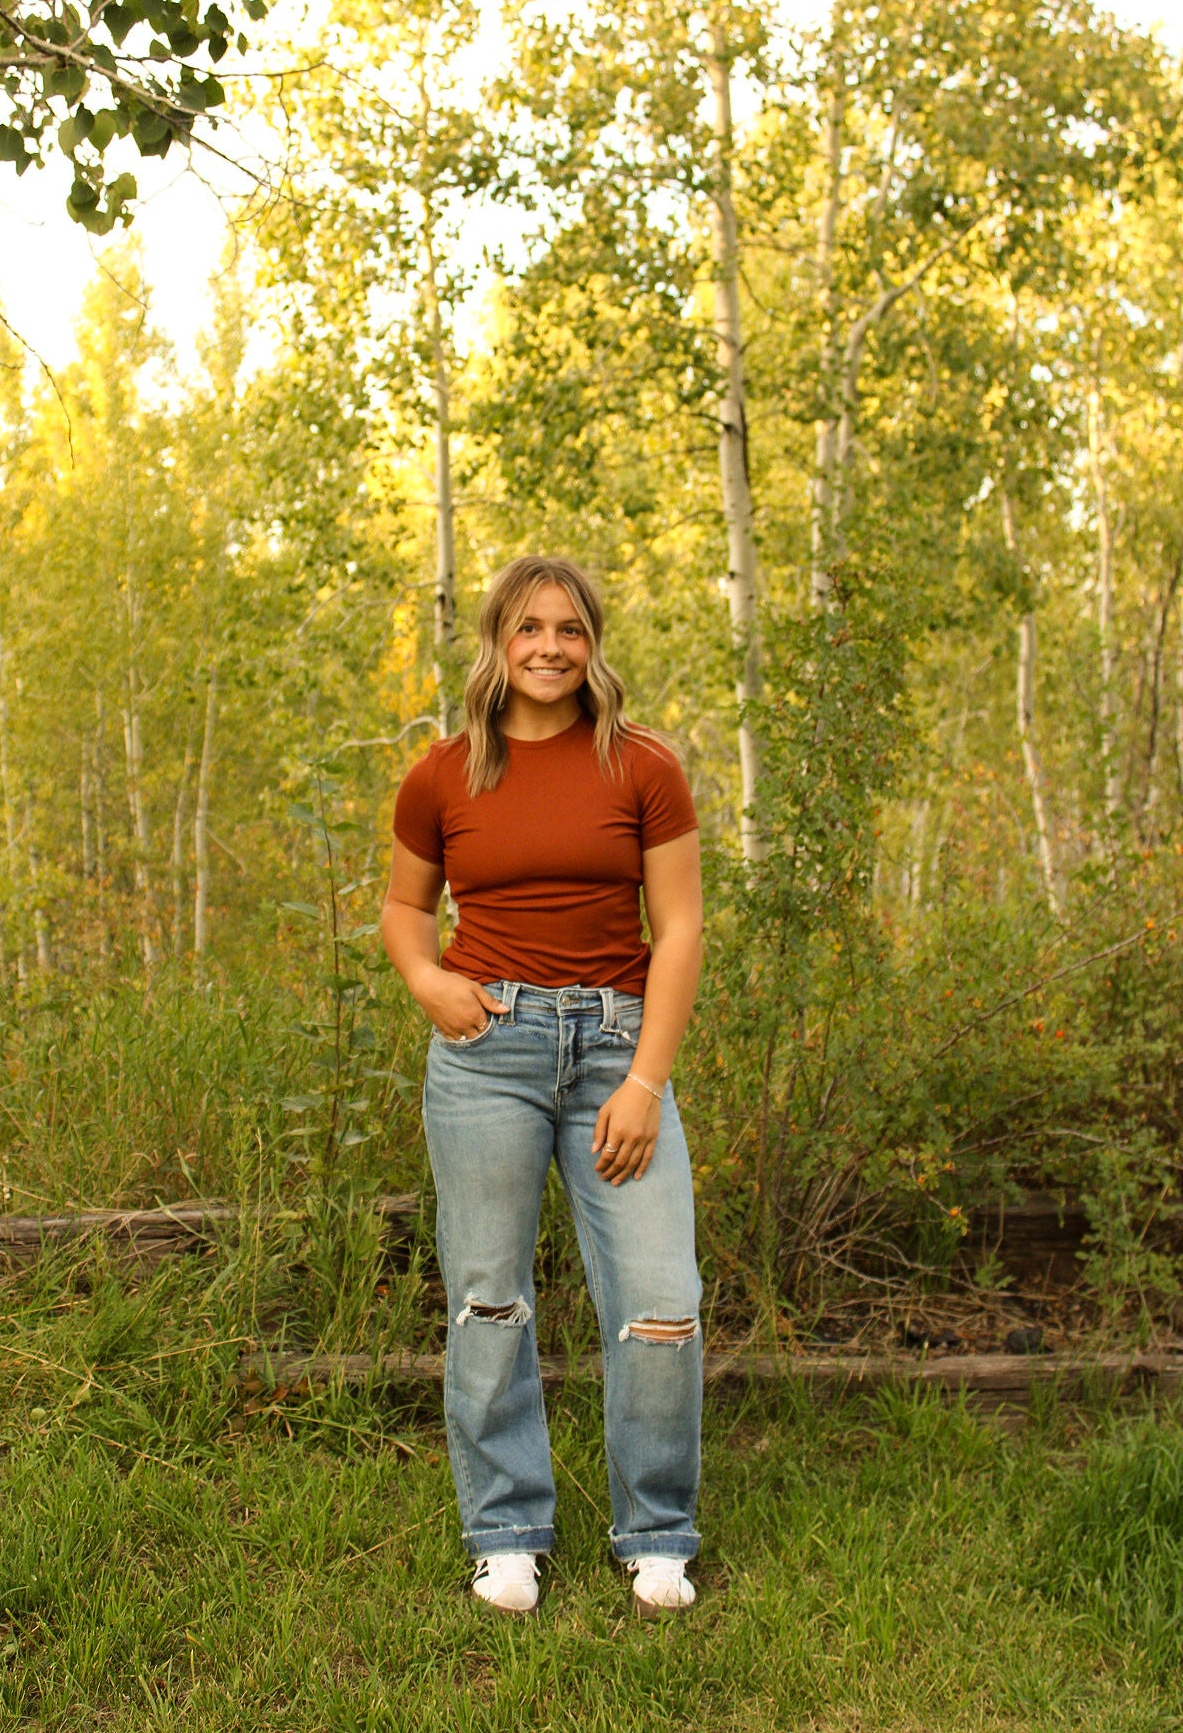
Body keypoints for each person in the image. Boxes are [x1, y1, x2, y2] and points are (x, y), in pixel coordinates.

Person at [381, 554, 704, 1618]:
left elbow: (681, 928)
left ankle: (654, 1530)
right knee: (488, 1300)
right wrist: (429, 979)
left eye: (570, 629)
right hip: (489, 1056)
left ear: (592, 642)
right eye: (530, 628)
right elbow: (403, 910)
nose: (551, 647)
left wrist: (645, 1081)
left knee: (659, 1302)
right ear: (497, 641)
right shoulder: (442, 773)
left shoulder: (641, 766)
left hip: (616, 1048)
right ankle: (506, 1530)